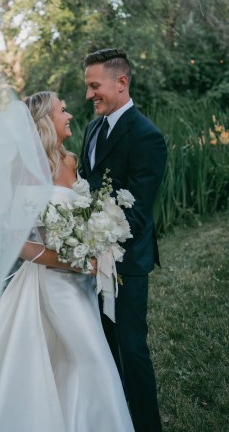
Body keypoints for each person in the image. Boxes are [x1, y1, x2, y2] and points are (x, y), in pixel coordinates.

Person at [0, 91, 134, 432]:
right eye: (62, 110)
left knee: (68, 364)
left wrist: (98, 243)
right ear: (44, 122)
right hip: (55, 284)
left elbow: (82, 216)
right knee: (92, 359)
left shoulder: (69, 161)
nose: (69, 114)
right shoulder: (25, 171)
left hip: (83, 283)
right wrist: (70, 260)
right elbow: (16, 242)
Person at [79, 49, 167, 432]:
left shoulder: (147, 136)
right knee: (104, 347)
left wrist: (103, 250)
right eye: (87, 87)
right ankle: (116, 420)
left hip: (126, 264)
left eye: (94, 86)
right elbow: (85, 189)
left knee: (131, 348)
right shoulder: (92, 129)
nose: (88, 95)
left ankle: (148, 426)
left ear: (121, 82)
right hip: (89, 260)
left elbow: (139, 211)